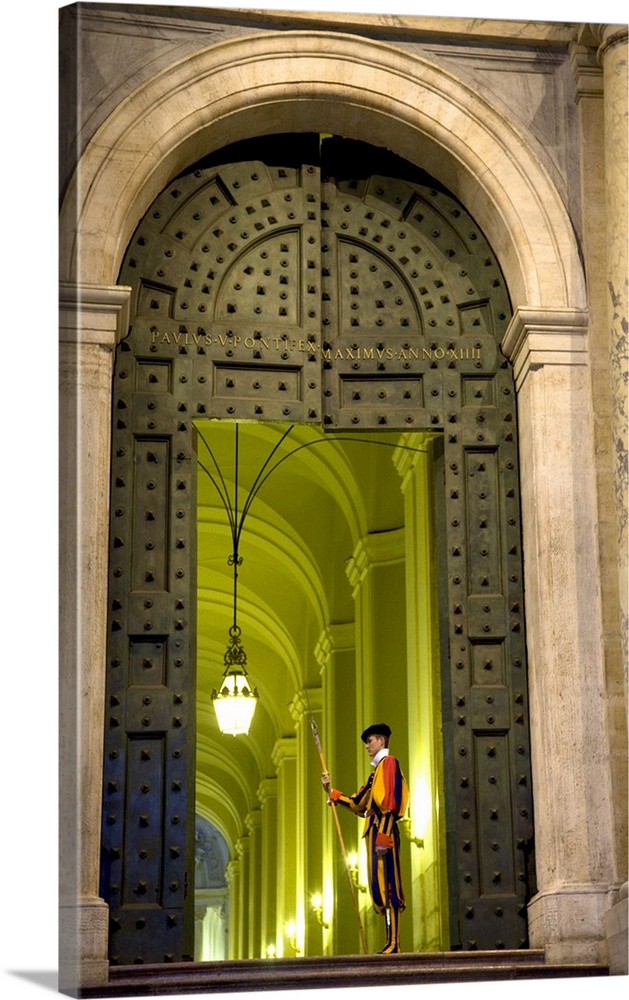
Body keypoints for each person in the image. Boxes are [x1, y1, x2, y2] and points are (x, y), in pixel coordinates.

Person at [321, 723, 409, 954]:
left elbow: (390, 803)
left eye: (370, 741)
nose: (367, 745)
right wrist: (331, 792)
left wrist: (384, 836)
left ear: (381, 740)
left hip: (383, 833)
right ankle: (389, 941)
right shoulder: (375, 774)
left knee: (390, 888)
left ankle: (394, 943)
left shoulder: (389, 764)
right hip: (375, 835)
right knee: (380, 889)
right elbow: (359, 804)